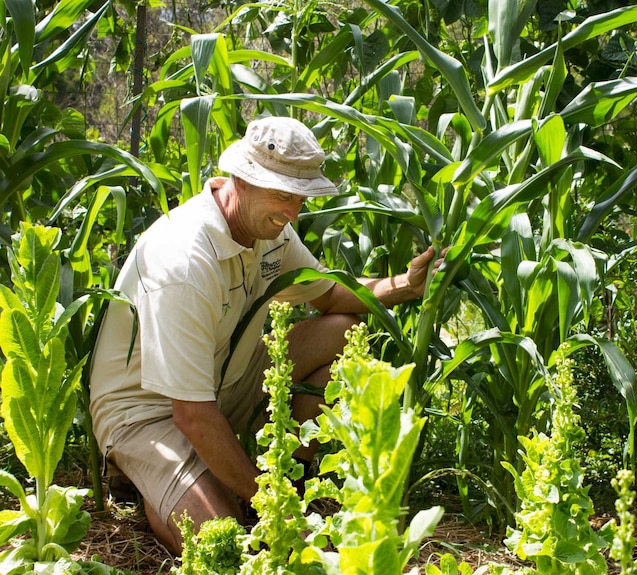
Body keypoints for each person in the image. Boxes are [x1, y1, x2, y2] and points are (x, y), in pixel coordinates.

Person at [88, 115, 441, 555]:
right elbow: (191, 414)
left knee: (345, 335)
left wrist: (404, 286)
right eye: (282, 194)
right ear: (241, 178)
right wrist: (278, 511)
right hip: (148, 409)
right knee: (224, 537)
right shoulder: (184, 262)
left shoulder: (268, 230)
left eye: (301, 197)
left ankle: (265, 475)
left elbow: (331, 297)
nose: (292, 212)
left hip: (221, 379)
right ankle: (159, 481)